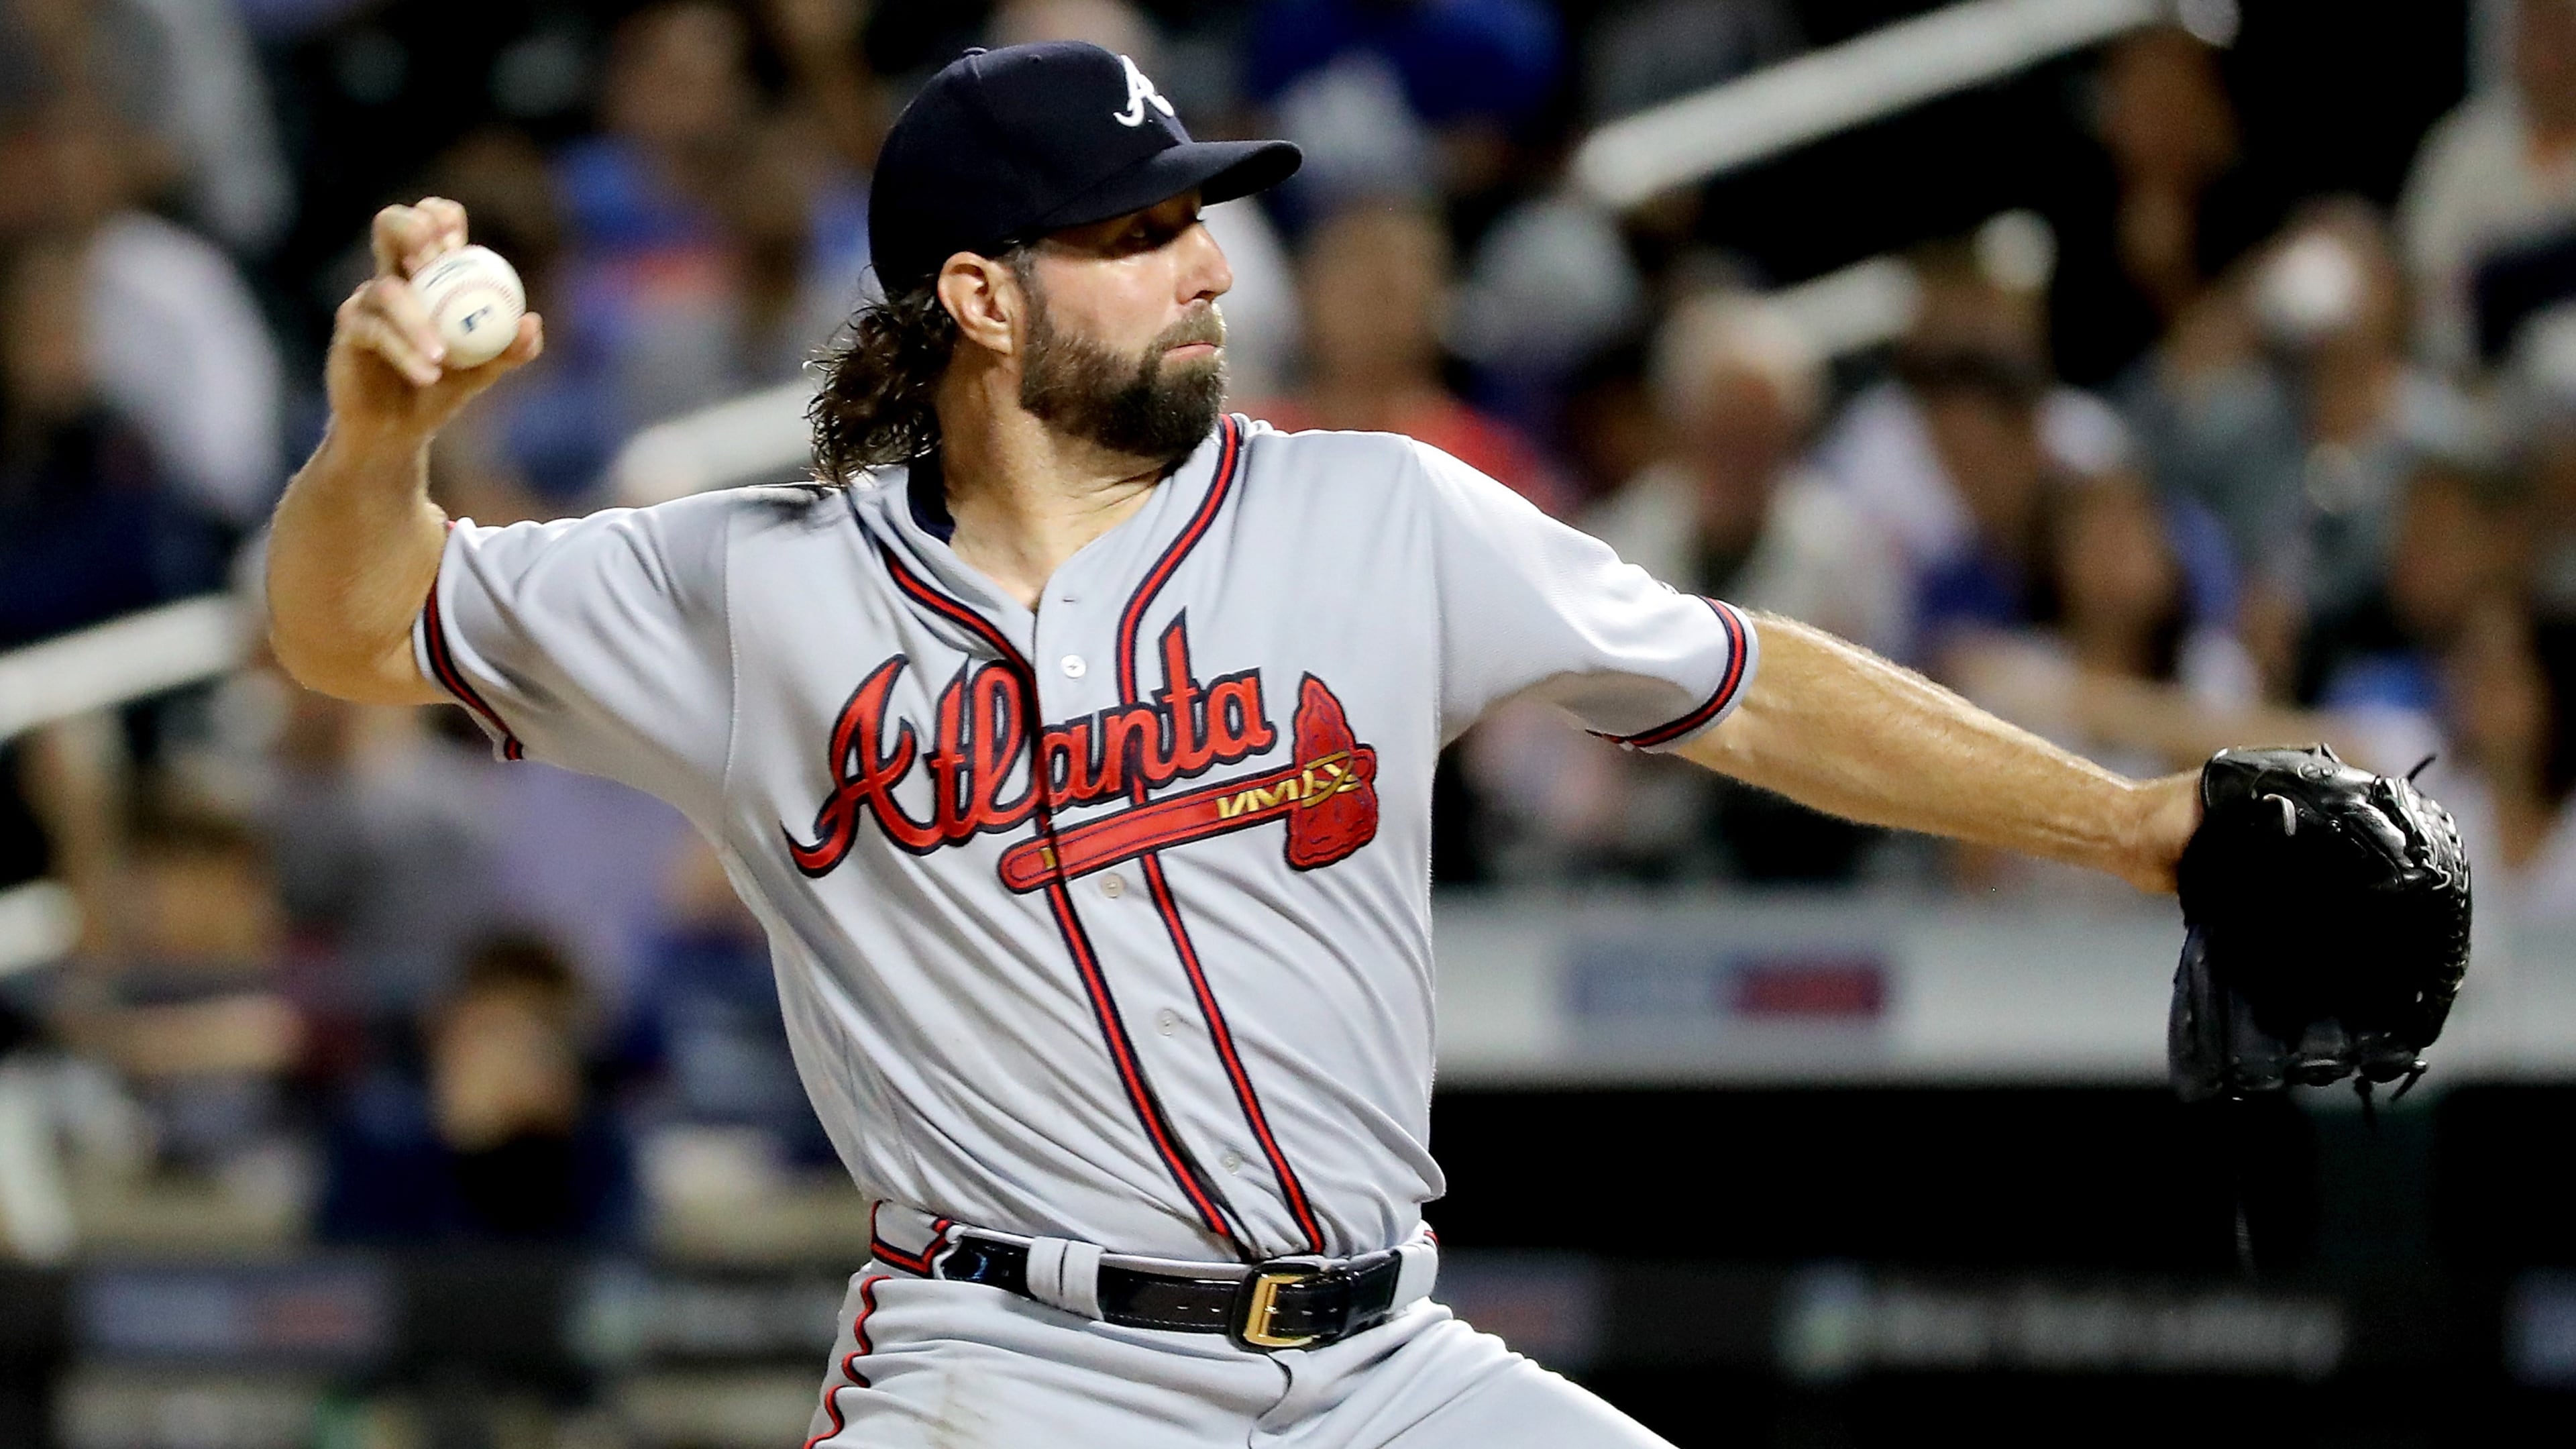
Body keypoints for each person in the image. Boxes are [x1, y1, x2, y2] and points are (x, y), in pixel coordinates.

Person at [266, 42, 2202, 1449]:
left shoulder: (1385, 515)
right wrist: (375, 441)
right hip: (1016, 1372)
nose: (1207, 265)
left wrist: (2132, 827)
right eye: (1136, 229)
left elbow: (1750, 678)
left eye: (1198, 218)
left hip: (1383, 1365)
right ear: (980, 299)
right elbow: (350, 630)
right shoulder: (749, 593)